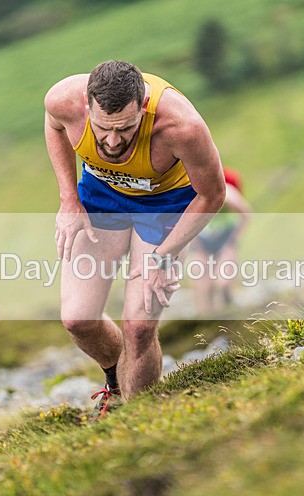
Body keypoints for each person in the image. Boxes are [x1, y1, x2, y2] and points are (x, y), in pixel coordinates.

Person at [44, 60, 226, 419]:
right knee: (78, 319)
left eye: (126, 128)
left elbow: (213, 194)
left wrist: (164, 255)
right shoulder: (63, 99)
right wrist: (69, 198)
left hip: (165, 206)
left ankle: (138, 419)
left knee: (139, 328)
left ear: (142, 107)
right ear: (86, 106)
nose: (113, 141)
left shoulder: (181, 126)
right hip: (103, 194)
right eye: (103, 128)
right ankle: (116, 383)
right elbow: (53, 125)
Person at [192, 168, 252, 315]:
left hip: (225, 238)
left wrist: (233, 239)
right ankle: (206, 317)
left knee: (223, 282)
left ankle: (228, 309)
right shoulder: (192, 193)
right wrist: (194, 243)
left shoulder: (227, 192)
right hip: (203, 240)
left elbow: (246, 213)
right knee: (203, 286)